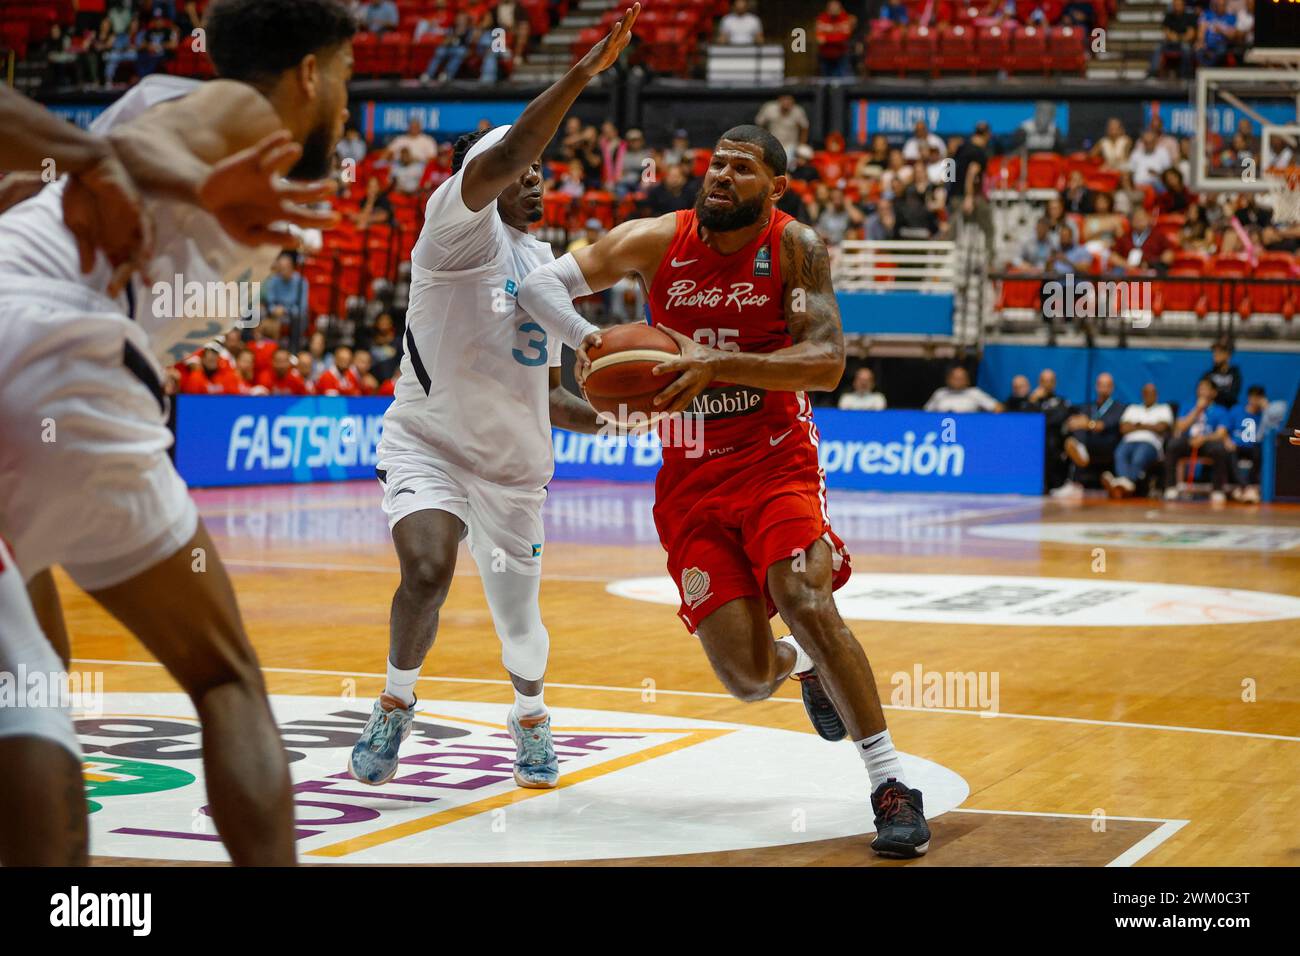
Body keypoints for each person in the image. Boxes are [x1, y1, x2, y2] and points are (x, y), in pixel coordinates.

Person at [0, 0, 353, 865]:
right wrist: (185, 183)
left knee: (28, 679)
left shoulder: (238, 146)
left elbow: (65, 170)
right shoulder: (244, 109)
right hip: (57, 344)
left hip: (35, 344)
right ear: (310, 73)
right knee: (224, 674)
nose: (346, 102)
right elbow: (131, 151)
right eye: (345, 77)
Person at [519, 124, 932, 857]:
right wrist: (588, 343)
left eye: (742, 168)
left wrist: (720, 362)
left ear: (775, 187)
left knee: (805, 597)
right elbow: (539, 285)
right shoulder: (655, 239)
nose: (722, 176)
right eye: (716, 164)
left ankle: (890, 784)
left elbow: (827, 360)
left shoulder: (794, 245)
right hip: (688, 474)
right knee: (745, 678)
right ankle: (800, 665)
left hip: (776, 460)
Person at [347, 7, 639, 792]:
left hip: (513, 472)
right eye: (522, 172)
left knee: (521, 635)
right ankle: (395, 702)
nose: (535, 178)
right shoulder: (455, 231)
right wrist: (581, 74)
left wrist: (623, 412)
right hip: (429, 446)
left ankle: (532, 715)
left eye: (541, 174)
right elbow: (512, 145)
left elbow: (546, 396)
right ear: (482, 180)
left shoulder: (542, 262)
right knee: (428, 569)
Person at [1052, 372, 1123, 498]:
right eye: (1101, 385)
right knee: (1074, 434)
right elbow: (1079, 421)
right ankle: (1075, 475)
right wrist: (1073, 422)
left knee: (1080, 435)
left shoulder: (1117, 407)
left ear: (1112, 388)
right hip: (1088, 441)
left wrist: (1087, 424)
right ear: (1096, 386)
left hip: (1107, 443)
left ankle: (1075, 477)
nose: (1104, 388)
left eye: (1107, 385)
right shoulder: (1089, 406)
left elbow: (1102, 426)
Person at [1164, 377, 1235, 502]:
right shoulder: (1188, 406)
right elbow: (1180, 427)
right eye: (1200, 388)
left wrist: (1204, 438)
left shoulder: (1220, 410)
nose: (1202, 391)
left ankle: (1217, 489)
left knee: (1220, 449)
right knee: (1172, 445)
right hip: (1189, 441)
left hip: (1208, 442)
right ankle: (1171, 487)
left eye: (1206, 389)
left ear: (1214, 392)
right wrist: (1197, 410)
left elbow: (1221, 433)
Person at [1102, 382, 1172, 498]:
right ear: (1142, 395)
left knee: (1139, 456)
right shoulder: (1132, 408)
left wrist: (1137, 425)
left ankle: (1120, 483)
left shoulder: (1164, 408)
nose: (1148, 395)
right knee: (1120, 453)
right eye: (1146, 393)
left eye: (1151, 393)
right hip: (1128, 441)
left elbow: (1161, 427)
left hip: (1150, 443)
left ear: (1156, 395)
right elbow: (1123, 428)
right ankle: (1126, 485)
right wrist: (1150, 426)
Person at [1229, 385, 1268, 502]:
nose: (1254, 400)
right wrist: (1227, 441)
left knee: (1259, 453)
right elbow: (1224, 430)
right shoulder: (1236, 410)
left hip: (1253, 447)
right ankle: (1245, 487)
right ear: (1248, 397)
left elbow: (1273, 427)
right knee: (1229, 452)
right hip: (1236, 446)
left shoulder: (1263, 416)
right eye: (1253, 397)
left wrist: (1267, 410)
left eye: (1258, 398)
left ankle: (1247, 487)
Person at [754, 94, 809, 165]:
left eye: (789, 100)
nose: (786, 102)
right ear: (779, 100)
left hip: (791, 144)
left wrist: (801, 144)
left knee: (801, 154)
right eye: (784, 100)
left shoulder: (798, 111)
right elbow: (760, 124)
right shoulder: (769, 108)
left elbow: (804, 128)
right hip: (773, 143)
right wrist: (763, 140)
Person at [1150, 0, 1198, 79]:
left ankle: (1185, 74)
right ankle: (1153, 72)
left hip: (1184, 43)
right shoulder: (1169, 16)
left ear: (1183, 6)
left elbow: (1191, 34)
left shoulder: (1190, 16)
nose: (1176, 7)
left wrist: (1178, 37)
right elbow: (1166, 32)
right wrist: (1173, 37)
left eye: (1178, 5)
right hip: (1170, 43)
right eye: (1175, 5)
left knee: (1186, 48)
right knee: (1158, 47)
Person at [924, 365, 1002, 413]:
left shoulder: (975, 393)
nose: (957, 381)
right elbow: (926, 413)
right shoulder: (940, 393)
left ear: (967, 380)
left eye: (961, 378)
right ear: (948, 379)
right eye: (955, 378)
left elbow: (998, 408)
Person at [1203, 339, 1242, 409]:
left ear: (1228, 355)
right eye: (1214, 352)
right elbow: (1202, 394)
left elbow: (1232, 396)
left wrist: (1215, 393)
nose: (1215, 355)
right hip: (1210, 412)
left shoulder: (1235, 374)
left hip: (1229, 410)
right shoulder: (1208, 375)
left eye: (1219, 352)